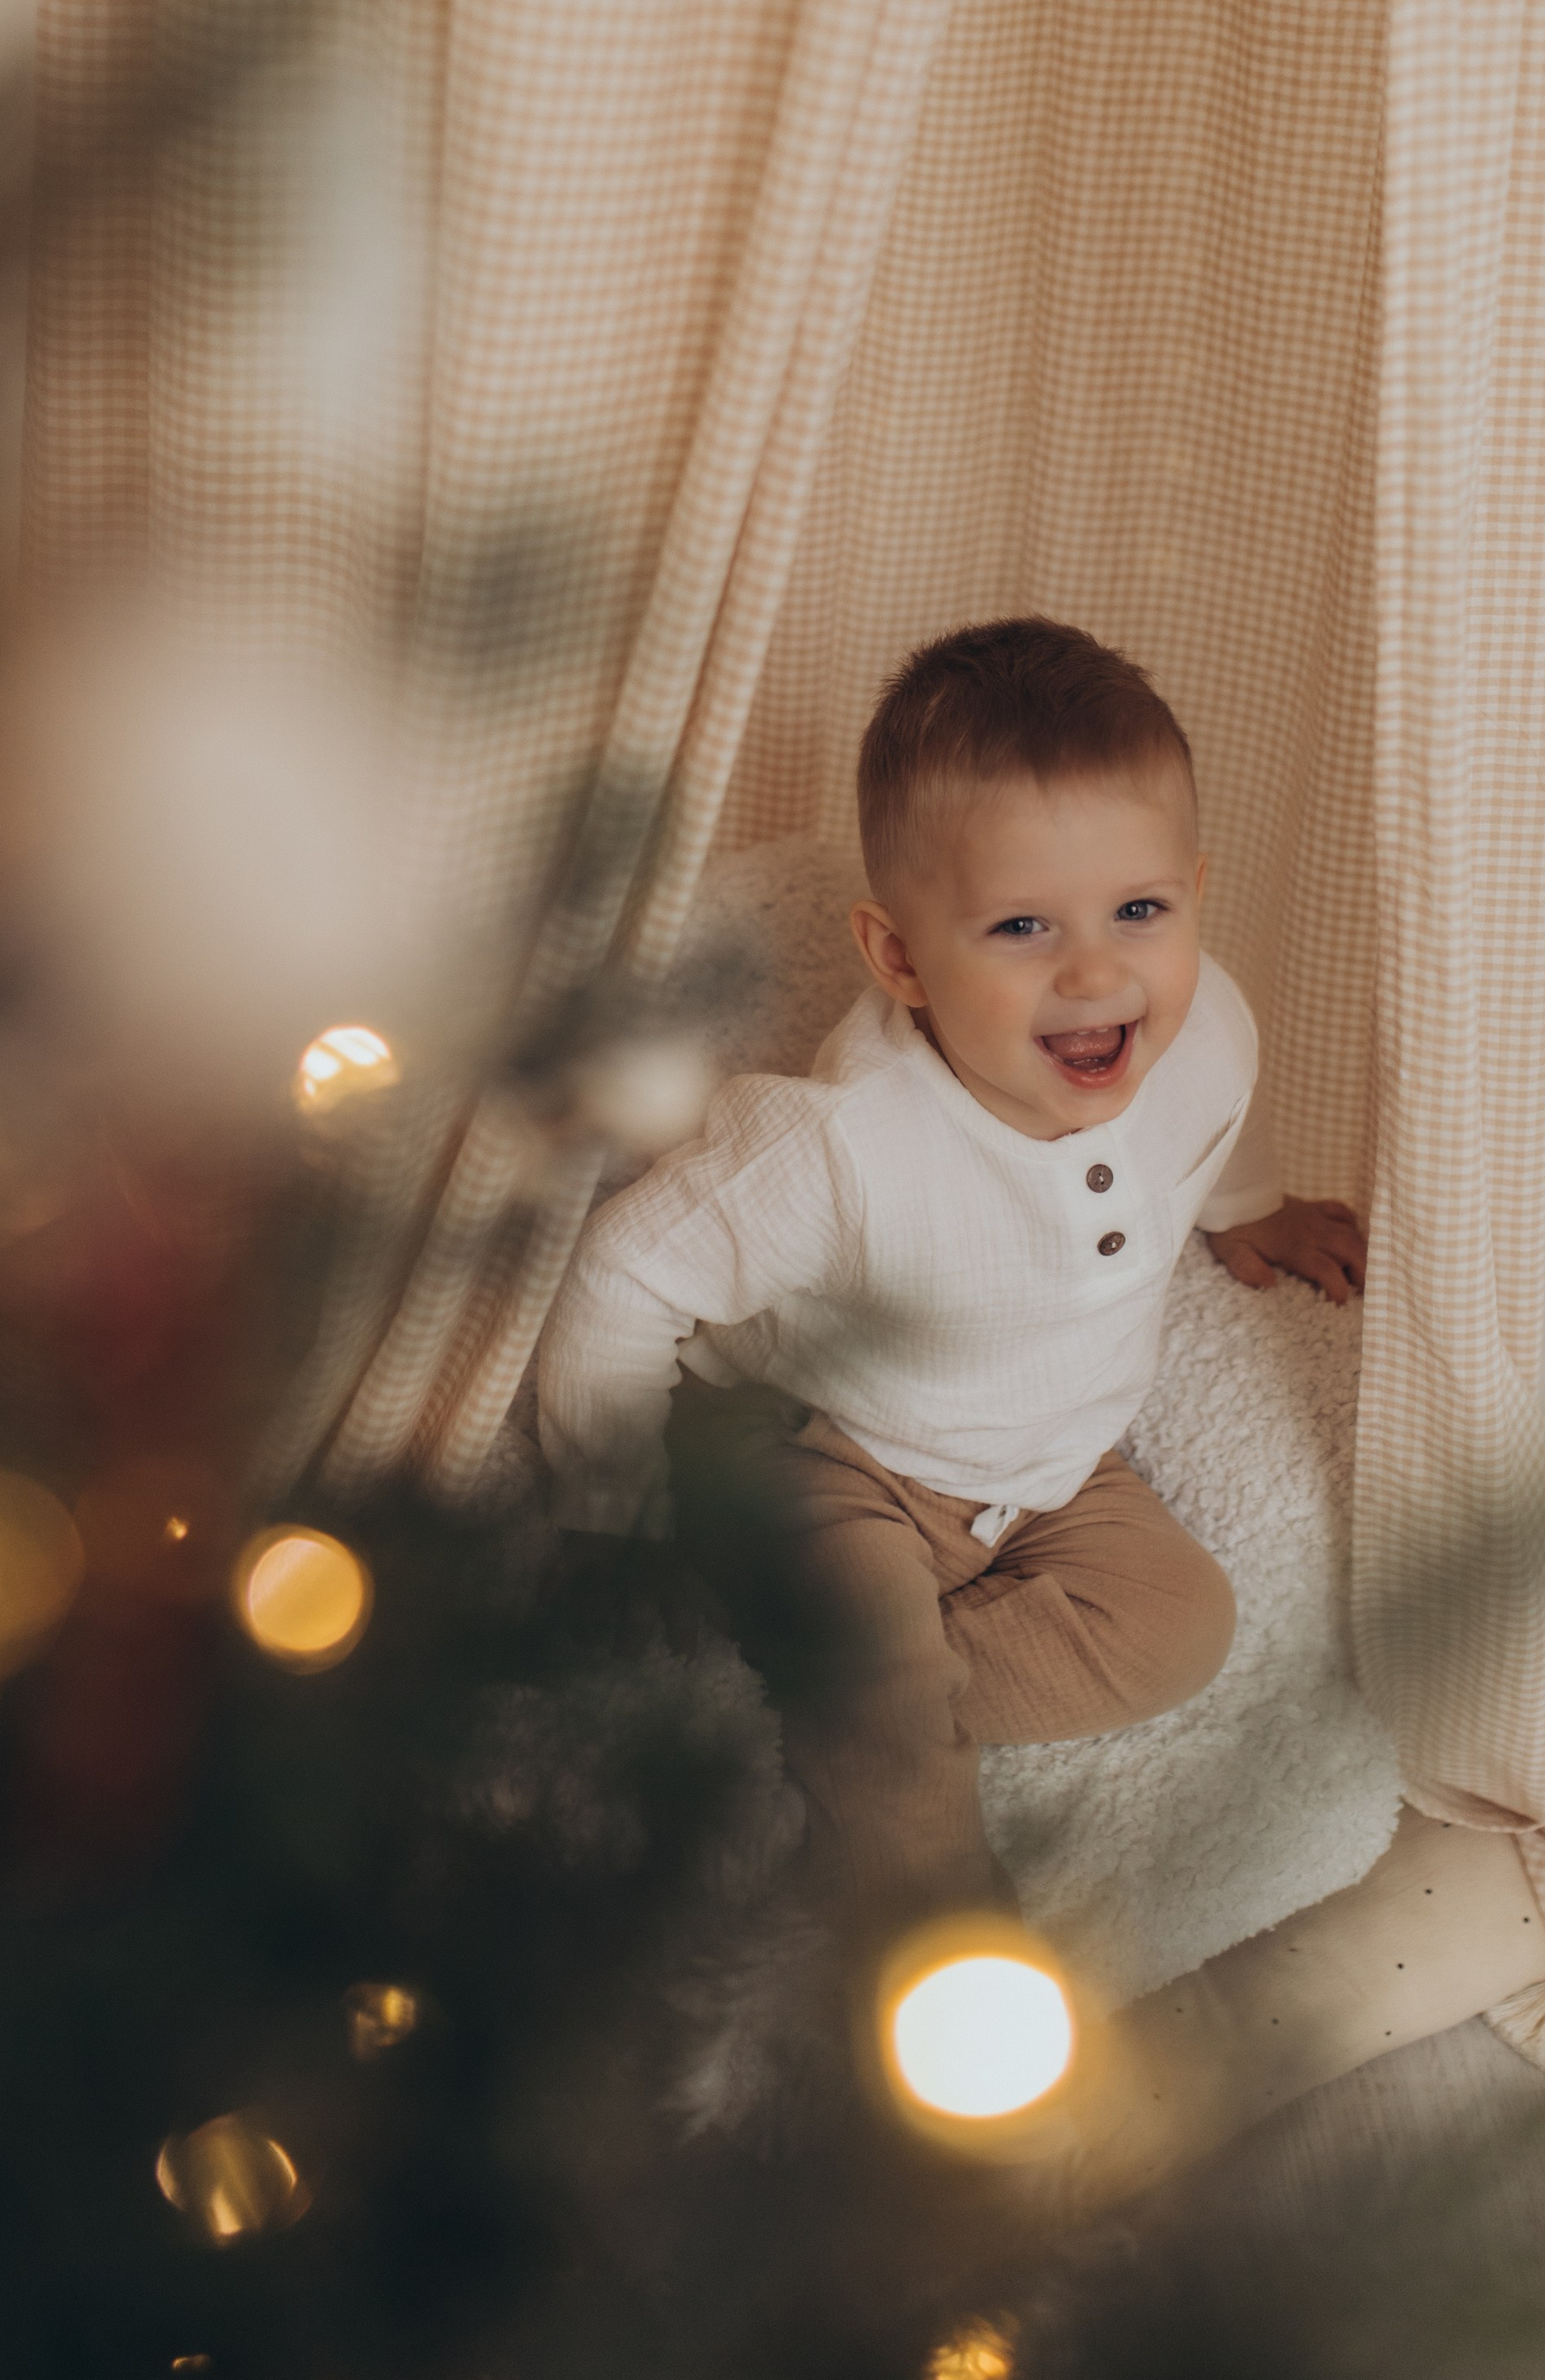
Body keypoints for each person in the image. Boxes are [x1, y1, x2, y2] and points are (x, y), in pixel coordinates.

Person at [535, 617, 1365, 1933]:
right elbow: (626, 1275)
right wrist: (607, 1503)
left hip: (1053, 1466)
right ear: (902, 958)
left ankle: (838, 1695)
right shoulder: (844, 1142)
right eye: (1023, 927)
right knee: (881, 1693)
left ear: (1194, 892)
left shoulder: (1205, 1026)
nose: (1099, 974)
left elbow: (1224, 1107)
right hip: (830, 1449)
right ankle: (934, 1945)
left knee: (1181, 1628)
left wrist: (1247, 1207)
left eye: (1142, 911)